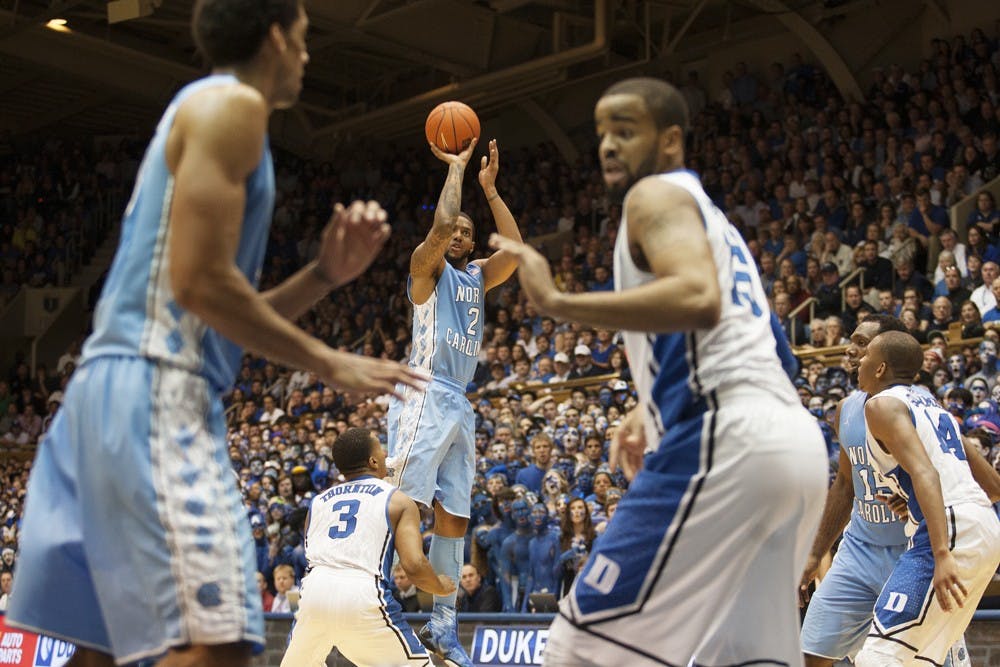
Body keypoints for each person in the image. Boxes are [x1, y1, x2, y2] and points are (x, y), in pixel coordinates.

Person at [5, 3, 428, 666]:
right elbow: (201, 284)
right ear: (275, 38)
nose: (309, 56)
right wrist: (327, 360)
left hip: (109, 390)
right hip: (156, 391)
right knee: (222, 638)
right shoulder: (233, 107)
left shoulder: (202, 109)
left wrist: (322, 273)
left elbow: (216, 311)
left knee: (108, 646)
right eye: (304, 40)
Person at [491, 77, 827, 666]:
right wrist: (644, 407)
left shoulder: (654, 198)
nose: (608, 146)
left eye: (625, 130)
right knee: (745, 658)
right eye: (601, 133)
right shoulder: (714, 221)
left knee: (580, 649)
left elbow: (698, 298)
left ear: (671, 141)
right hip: (794, 446)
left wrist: (558, 302)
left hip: (728, 441)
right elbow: (773, 353)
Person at [386, 137, 522, 667]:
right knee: (403, 505)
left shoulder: (476, 278)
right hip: (424, 391)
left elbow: (515, 251)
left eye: (468, 232)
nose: (461, 236)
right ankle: (375, 599)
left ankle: (442, 626)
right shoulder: (428, 271)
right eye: (457, 232)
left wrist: (490, 191)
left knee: (454, 520)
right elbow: (440, 229)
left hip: (459, 403)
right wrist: (458, 170)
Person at [799, 315, 972, 667]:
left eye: (862, 344)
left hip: (912, 550)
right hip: (859, 550)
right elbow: (846, 484)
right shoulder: (846, 409)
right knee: (811, 651)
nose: (851, 350)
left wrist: (925, 523)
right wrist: (816, 553)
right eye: (853, 340)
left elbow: (945, 475)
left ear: (884, 359)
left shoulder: (916, 405)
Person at [852, 332, 1000, 666]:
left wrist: (942, 552)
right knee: (919, 659)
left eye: (866, 356)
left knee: (878, 656)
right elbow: (993, 487)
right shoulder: (935, 407)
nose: (859, 360)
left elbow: (926, 474)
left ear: (881, 369)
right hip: (985, 526)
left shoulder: (880, 405)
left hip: (949, 531)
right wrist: (914, 500)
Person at [279, 427, 454, 667]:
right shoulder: (398, 500)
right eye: (381, 451)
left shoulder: (317, 502)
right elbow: (414, 566)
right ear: (373, 461)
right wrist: (440, 587)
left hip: (314, 594)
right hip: (361, 594)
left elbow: (313, 556)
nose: (385, 455)